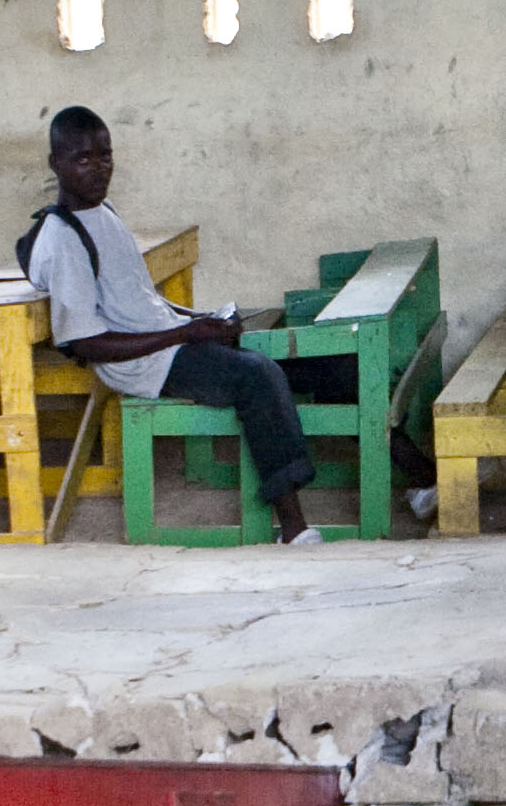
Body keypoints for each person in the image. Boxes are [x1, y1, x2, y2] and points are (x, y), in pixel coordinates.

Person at [24, 105, 322, 543]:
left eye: (105, 156)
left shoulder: (104, 212)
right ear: (56, 164)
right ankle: (292, 527)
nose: (98, 168)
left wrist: (203, 319)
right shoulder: (64, 239)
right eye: (83, 159)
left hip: (171, 343)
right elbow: (86, 343)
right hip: (142, 364)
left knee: (316, 359)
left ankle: (419, 482)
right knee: (256, 375)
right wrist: (185, 334)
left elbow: (143, 299)